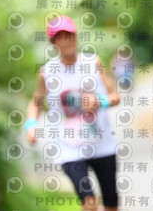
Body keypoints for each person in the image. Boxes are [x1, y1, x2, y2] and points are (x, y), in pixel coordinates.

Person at [25, 15, 121, 211]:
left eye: (69, 35)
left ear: (76, 37)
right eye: (59, 37)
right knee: (89, 204)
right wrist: (31, 125)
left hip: (102, 144)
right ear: (53, 43)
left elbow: (115, 97)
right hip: (69, 148)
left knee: (111, 204)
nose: (65, 41)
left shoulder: (93, 62)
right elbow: (36, 102)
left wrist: (99, 102)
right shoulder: (47, 72)